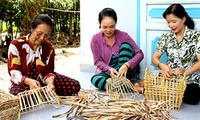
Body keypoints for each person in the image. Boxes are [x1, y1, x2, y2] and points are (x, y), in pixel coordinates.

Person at [7, 14, 81, 96]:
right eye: (39, 34)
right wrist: (29, 81)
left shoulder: (49, 47)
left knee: (74, 85)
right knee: (20, 95)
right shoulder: (16, 44)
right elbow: (14, 72)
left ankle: (44, 92)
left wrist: (50, 84)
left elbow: (48, 71)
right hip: (24, 81)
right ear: (32, 29)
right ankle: (41, 93)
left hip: (43, 80)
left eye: (46, 35)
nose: (42, 38)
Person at [152, 4, 200, 105]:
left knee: (193, 97)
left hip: (188, 81)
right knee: (157, 87)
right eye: (168, 22)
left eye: (174, 21)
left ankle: (164, 94)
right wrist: (162, 66)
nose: (170, 25)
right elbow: (155, 58)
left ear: (183, 19)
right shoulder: (166, 37)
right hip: (170, 78)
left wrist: (186, 72)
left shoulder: (196, 37)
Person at [90, 8, 144, 93]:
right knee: (95, 79)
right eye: (104, 27)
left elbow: (140, 54)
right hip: (111, 72)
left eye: (112, 26)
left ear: (116, 23)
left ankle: (122, 83)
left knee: (126, 46)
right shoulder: (95, 40)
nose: (108, 30)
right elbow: (97, 61)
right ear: (99, 24)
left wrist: (126, 65)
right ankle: (132, 88)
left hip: (126, 71)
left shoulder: (123, 36)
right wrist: (109, 70)